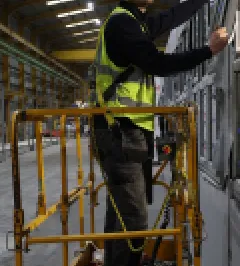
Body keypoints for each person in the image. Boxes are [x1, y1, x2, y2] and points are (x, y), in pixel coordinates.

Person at [92, 0, 229, 265]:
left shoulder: (134, 22)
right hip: (120, 131)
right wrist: (209, 50)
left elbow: (171, 17)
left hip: (129, 131)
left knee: (120, 214)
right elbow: (157, 63)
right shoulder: (122, 23)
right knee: (134, 219)